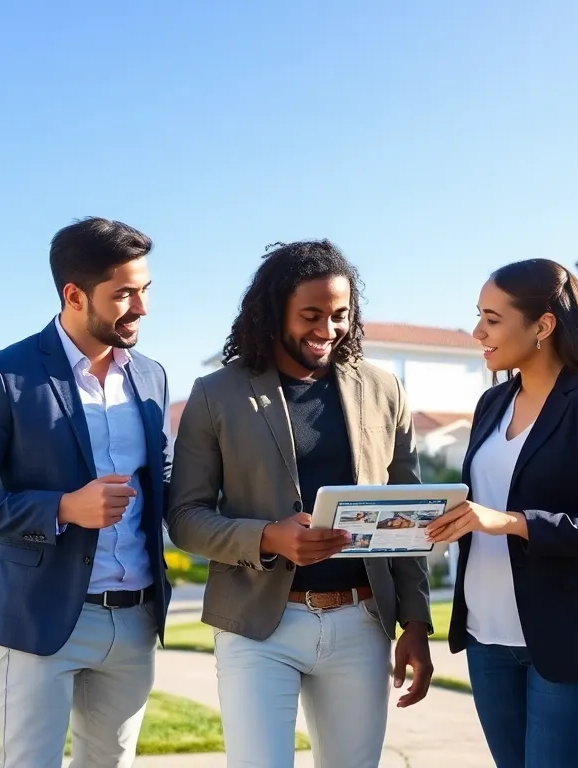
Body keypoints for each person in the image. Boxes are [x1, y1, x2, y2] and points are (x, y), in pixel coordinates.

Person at [166, 240, 434, 768]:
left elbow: (408, 520)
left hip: (362, 622)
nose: (327, 330)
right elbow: (184, 518)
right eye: (310, 315)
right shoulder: (216, 394)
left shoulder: (384, 389)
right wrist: (268, 537)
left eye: (340, 315)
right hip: (257, 624)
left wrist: (417, 625)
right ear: (273, 312)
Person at [0, 217, 173, 768]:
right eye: (124, 294)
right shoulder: (3, 373)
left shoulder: (152, 376)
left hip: (136, 620)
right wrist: (65, 508)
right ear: (74, 295)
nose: (142, 307)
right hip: (40, 620)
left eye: (146, 290)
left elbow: (166, 483)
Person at [425, 257, 578, 768]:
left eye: (492, 319)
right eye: (478, 316)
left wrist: (516, 522)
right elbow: (479, 503)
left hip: (576, 642)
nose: (477, 331)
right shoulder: (493, 404)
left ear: (543, 326)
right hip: (489, 638)